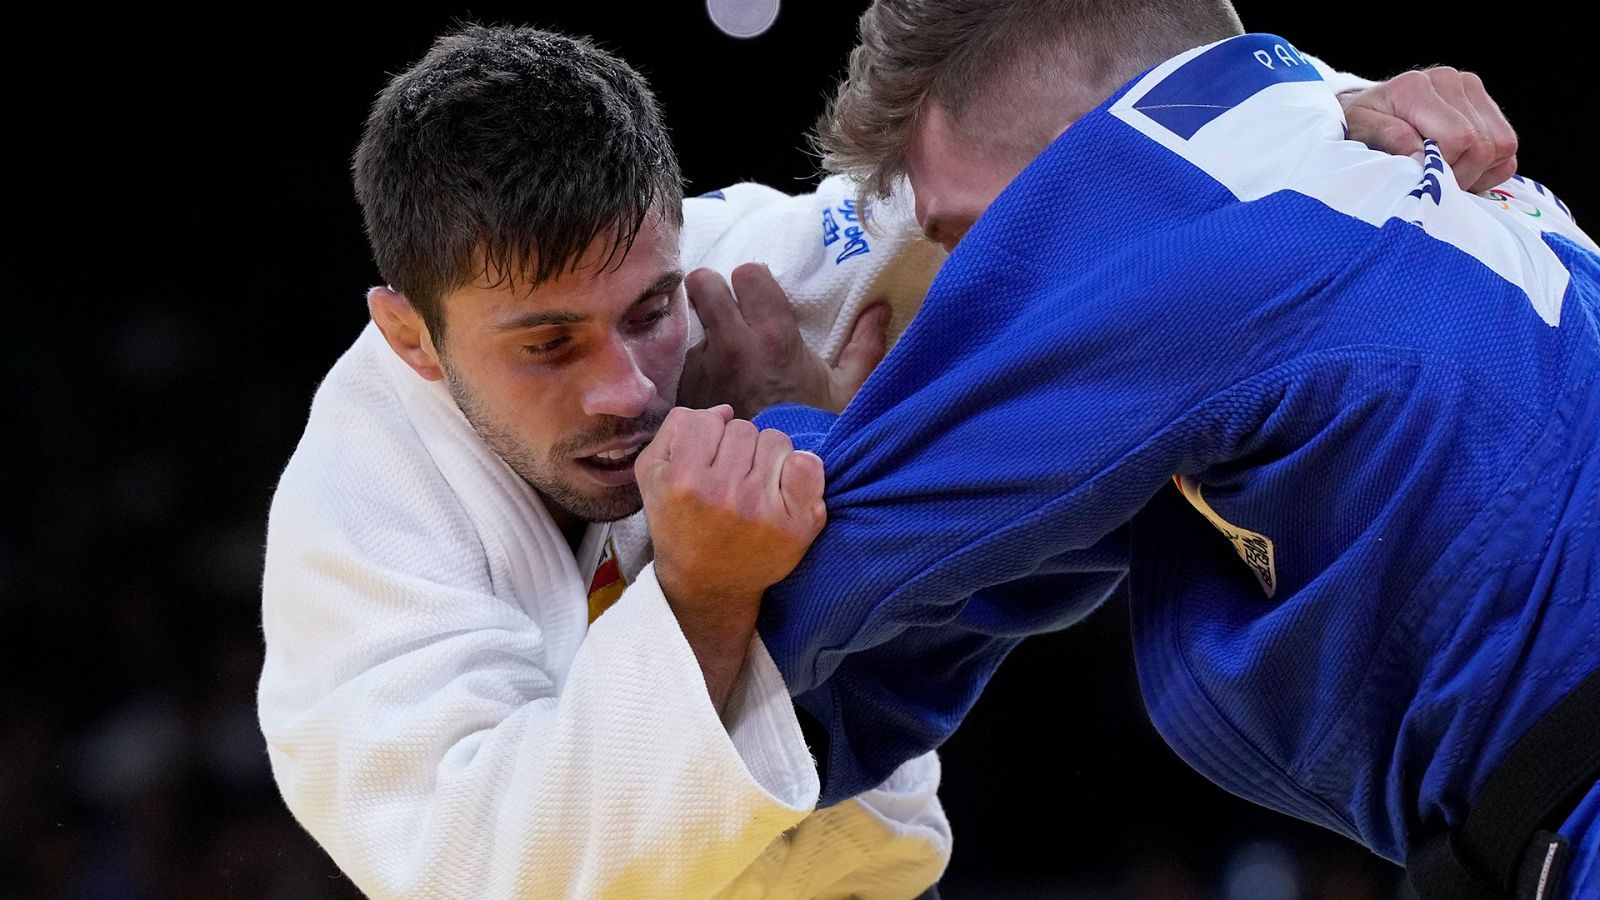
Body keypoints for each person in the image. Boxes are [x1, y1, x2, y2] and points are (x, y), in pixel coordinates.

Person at [256, 17, 1527, 900]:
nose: (624, 385)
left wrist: (1333, 115)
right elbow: (493, 869)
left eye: (646, 313)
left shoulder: (743, 266)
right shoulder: (361, 516)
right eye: (545, 345)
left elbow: (1070, 166)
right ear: (410, 335)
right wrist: (703, 597)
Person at [750, 2, 1599, 899]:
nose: (957, 290)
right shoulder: (1357, 166)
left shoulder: (1192, 231)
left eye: (966, 237)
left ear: (1089, 152)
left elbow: (829, 570)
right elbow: (971, 595)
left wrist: (778, 432)